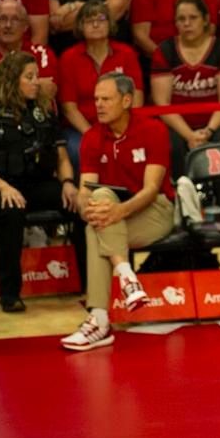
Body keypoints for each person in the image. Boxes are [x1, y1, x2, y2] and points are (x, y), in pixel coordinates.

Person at [61, 72, 175, 352]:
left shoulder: (153, 130)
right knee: (97, 205)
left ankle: (100, 320)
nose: (98, 105)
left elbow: (151, 190)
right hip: (111, 213)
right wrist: (91, 207)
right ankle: (125, 280)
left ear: (126, 100)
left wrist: (117, 212)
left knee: (96, 228)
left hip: (154, 209)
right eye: (96, 99)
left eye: (106, 99)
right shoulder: (91, 137)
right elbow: (85, 190)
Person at [0, 50, 78, 313]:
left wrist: (68, 182)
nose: (37, 81)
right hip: (2, 186)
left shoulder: (44, 112)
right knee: (11, 211)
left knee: (80, 204)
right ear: (12, 80)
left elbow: (62, 158)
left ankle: (87, 283)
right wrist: (3, 187)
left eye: (37, 76)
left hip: (38, 184)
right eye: (29, 77)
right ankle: (10, 294)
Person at [151, 0, 220, 174]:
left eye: (193, 18)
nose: (187, 23)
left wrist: (208, 131)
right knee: (171, 147)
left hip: (214, 123)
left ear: (205, 20)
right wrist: (189, 135)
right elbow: (163, 104)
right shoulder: (165, 51)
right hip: (177, 125)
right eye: (181, 19)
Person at [58, 0, 143, 168]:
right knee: (77, 150)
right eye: (89, 21)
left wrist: (125, 130)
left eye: (101, 19)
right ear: (80, 26)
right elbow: (69, 108)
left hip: (123, 125)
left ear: (110, 23)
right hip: (82, 128)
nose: (95, 24)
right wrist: (91, 134)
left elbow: (137, 96)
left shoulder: (126, 54)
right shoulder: (69, 58)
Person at [0, 0, 58, 115]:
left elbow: (48, 89)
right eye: (2, 19)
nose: (8, 25)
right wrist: (29, 88)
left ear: (25, 26)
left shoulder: (42, 53)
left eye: (15, 19)